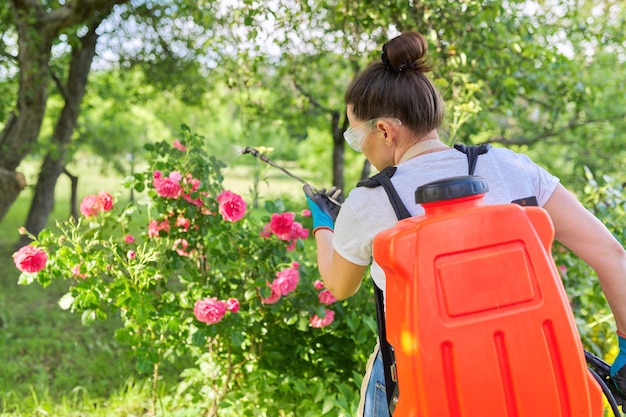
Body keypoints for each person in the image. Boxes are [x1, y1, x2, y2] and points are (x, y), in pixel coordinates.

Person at [304, 30, 626, 416]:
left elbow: (339, 285)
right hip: (534, 375)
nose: (362, 148)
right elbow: (611, 255)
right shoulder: (512, 167)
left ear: (386, 131)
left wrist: (324, 223)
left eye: (357, 138)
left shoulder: (370, 200)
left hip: (424, 388)